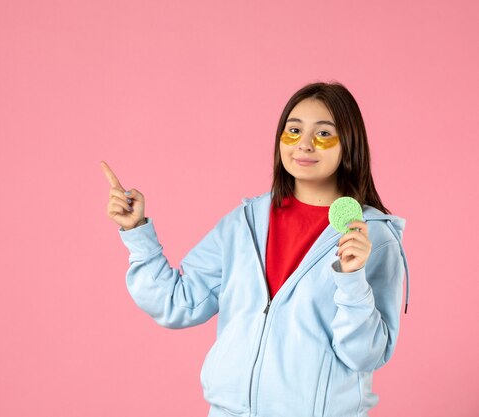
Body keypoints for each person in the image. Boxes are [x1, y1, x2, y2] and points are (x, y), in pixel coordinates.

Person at [101, 81, 410, 417]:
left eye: (323, 134)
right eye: (293, 130)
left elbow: (367, 354)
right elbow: (177, 302)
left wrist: (352, 279)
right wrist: (136, 231)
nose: (304, 144)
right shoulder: (244, 223)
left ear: (348, 145)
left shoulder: (372, 237)